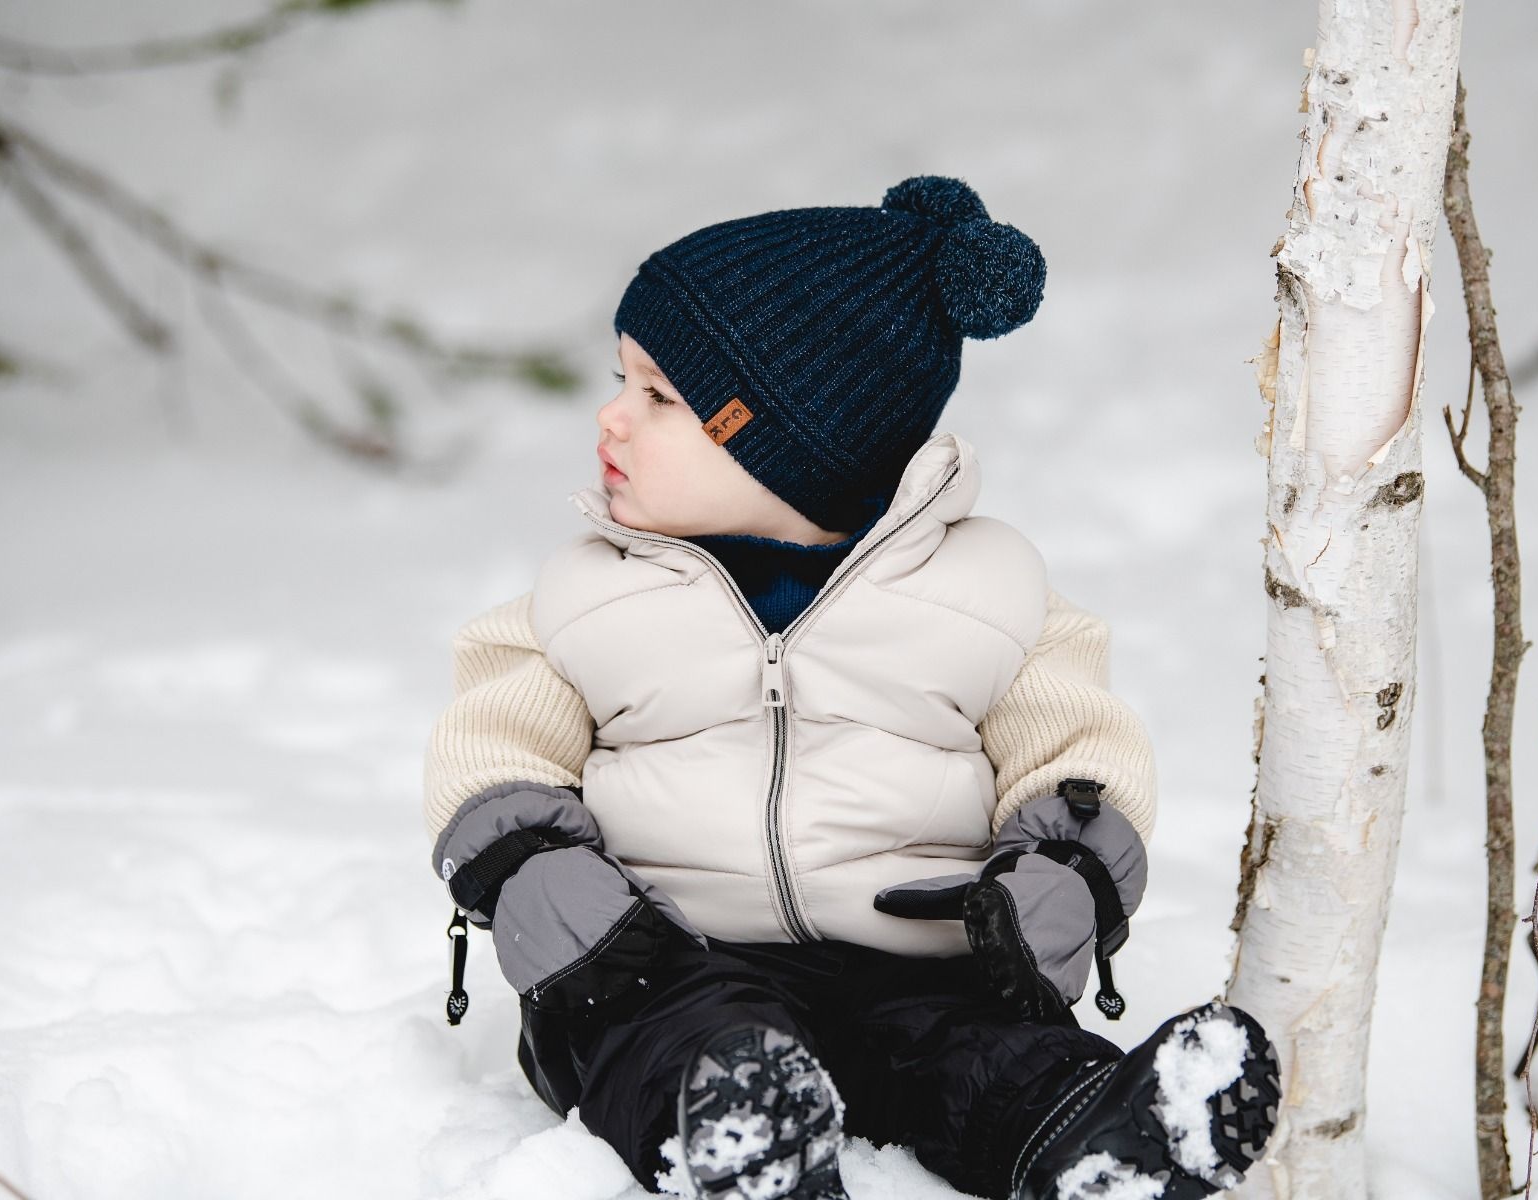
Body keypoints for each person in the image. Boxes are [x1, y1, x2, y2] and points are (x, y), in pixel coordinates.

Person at [423, 175, 1281, 1200]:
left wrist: (1059, 876)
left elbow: (1079, 752)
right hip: (656, 952)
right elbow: (494, 749)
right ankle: (739, 1133)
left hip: (917, 952)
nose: (610, 418)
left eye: (658, 397)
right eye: (622, 380)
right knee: (663, 1039)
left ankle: (1101, 1139)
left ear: (788, 444)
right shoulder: (584, 595)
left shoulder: (987, 591)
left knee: (980, 1048)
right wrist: (540, 878)